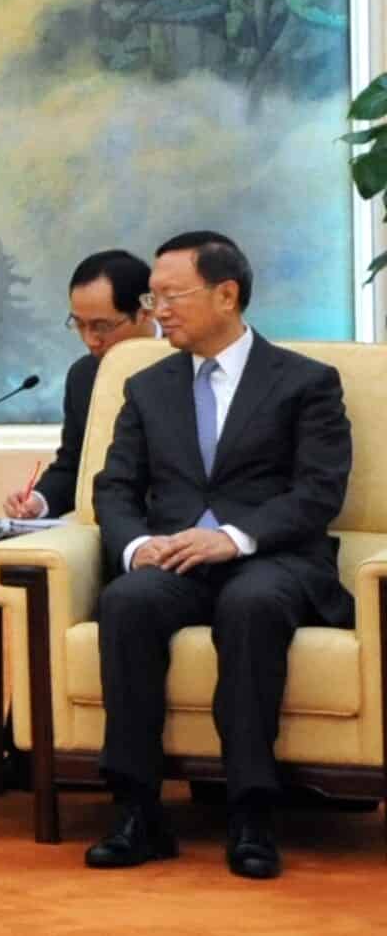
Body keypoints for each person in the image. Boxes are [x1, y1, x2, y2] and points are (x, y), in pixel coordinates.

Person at [84, 231, 351, 880]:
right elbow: (114, 486)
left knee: (251, 604)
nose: (158, 310)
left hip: (271, 558)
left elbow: (319, 491)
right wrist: (138, 545)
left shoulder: (305, 382)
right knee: (126, 601)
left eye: (171, 295)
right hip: (177, 558)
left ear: (226, 295)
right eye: (153, 297)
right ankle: (138, 810)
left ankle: (251, 812)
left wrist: (233, 537)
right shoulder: (147, 387)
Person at [6, 249, 154, 519]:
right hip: (108, 527)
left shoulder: (188, 361)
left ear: (145, 313)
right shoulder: (84, 376)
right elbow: (74, 466)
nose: (90, 339)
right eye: (79, 325)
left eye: (102, 326)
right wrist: (39, 501)